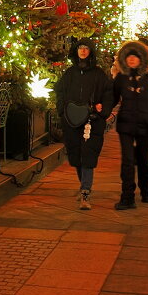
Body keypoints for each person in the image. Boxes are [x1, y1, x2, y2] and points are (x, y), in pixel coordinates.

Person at [55, 38, 113, 210]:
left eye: (86, 48)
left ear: (91, 52)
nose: (83, 51)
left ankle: (85, 190)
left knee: (88, 154)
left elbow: (108, 94)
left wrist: (103, 110)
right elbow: (60, 92)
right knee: (76, 154)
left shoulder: (99, 74)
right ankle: (84, 186)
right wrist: (62, 110)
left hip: (92, 121)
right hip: (71, 120)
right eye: (80, 48)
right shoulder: (70, 73)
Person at [110, 41, 148, 210]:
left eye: (135, 57)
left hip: (145, 124)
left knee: (143, 158)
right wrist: (100, 110)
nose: (132, 60)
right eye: (129, 57)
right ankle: (127, 197)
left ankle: (146, 190)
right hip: (126, 125)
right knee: (127, 161)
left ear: (141, 59)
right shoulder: (120, 78)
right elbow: (112, 98)